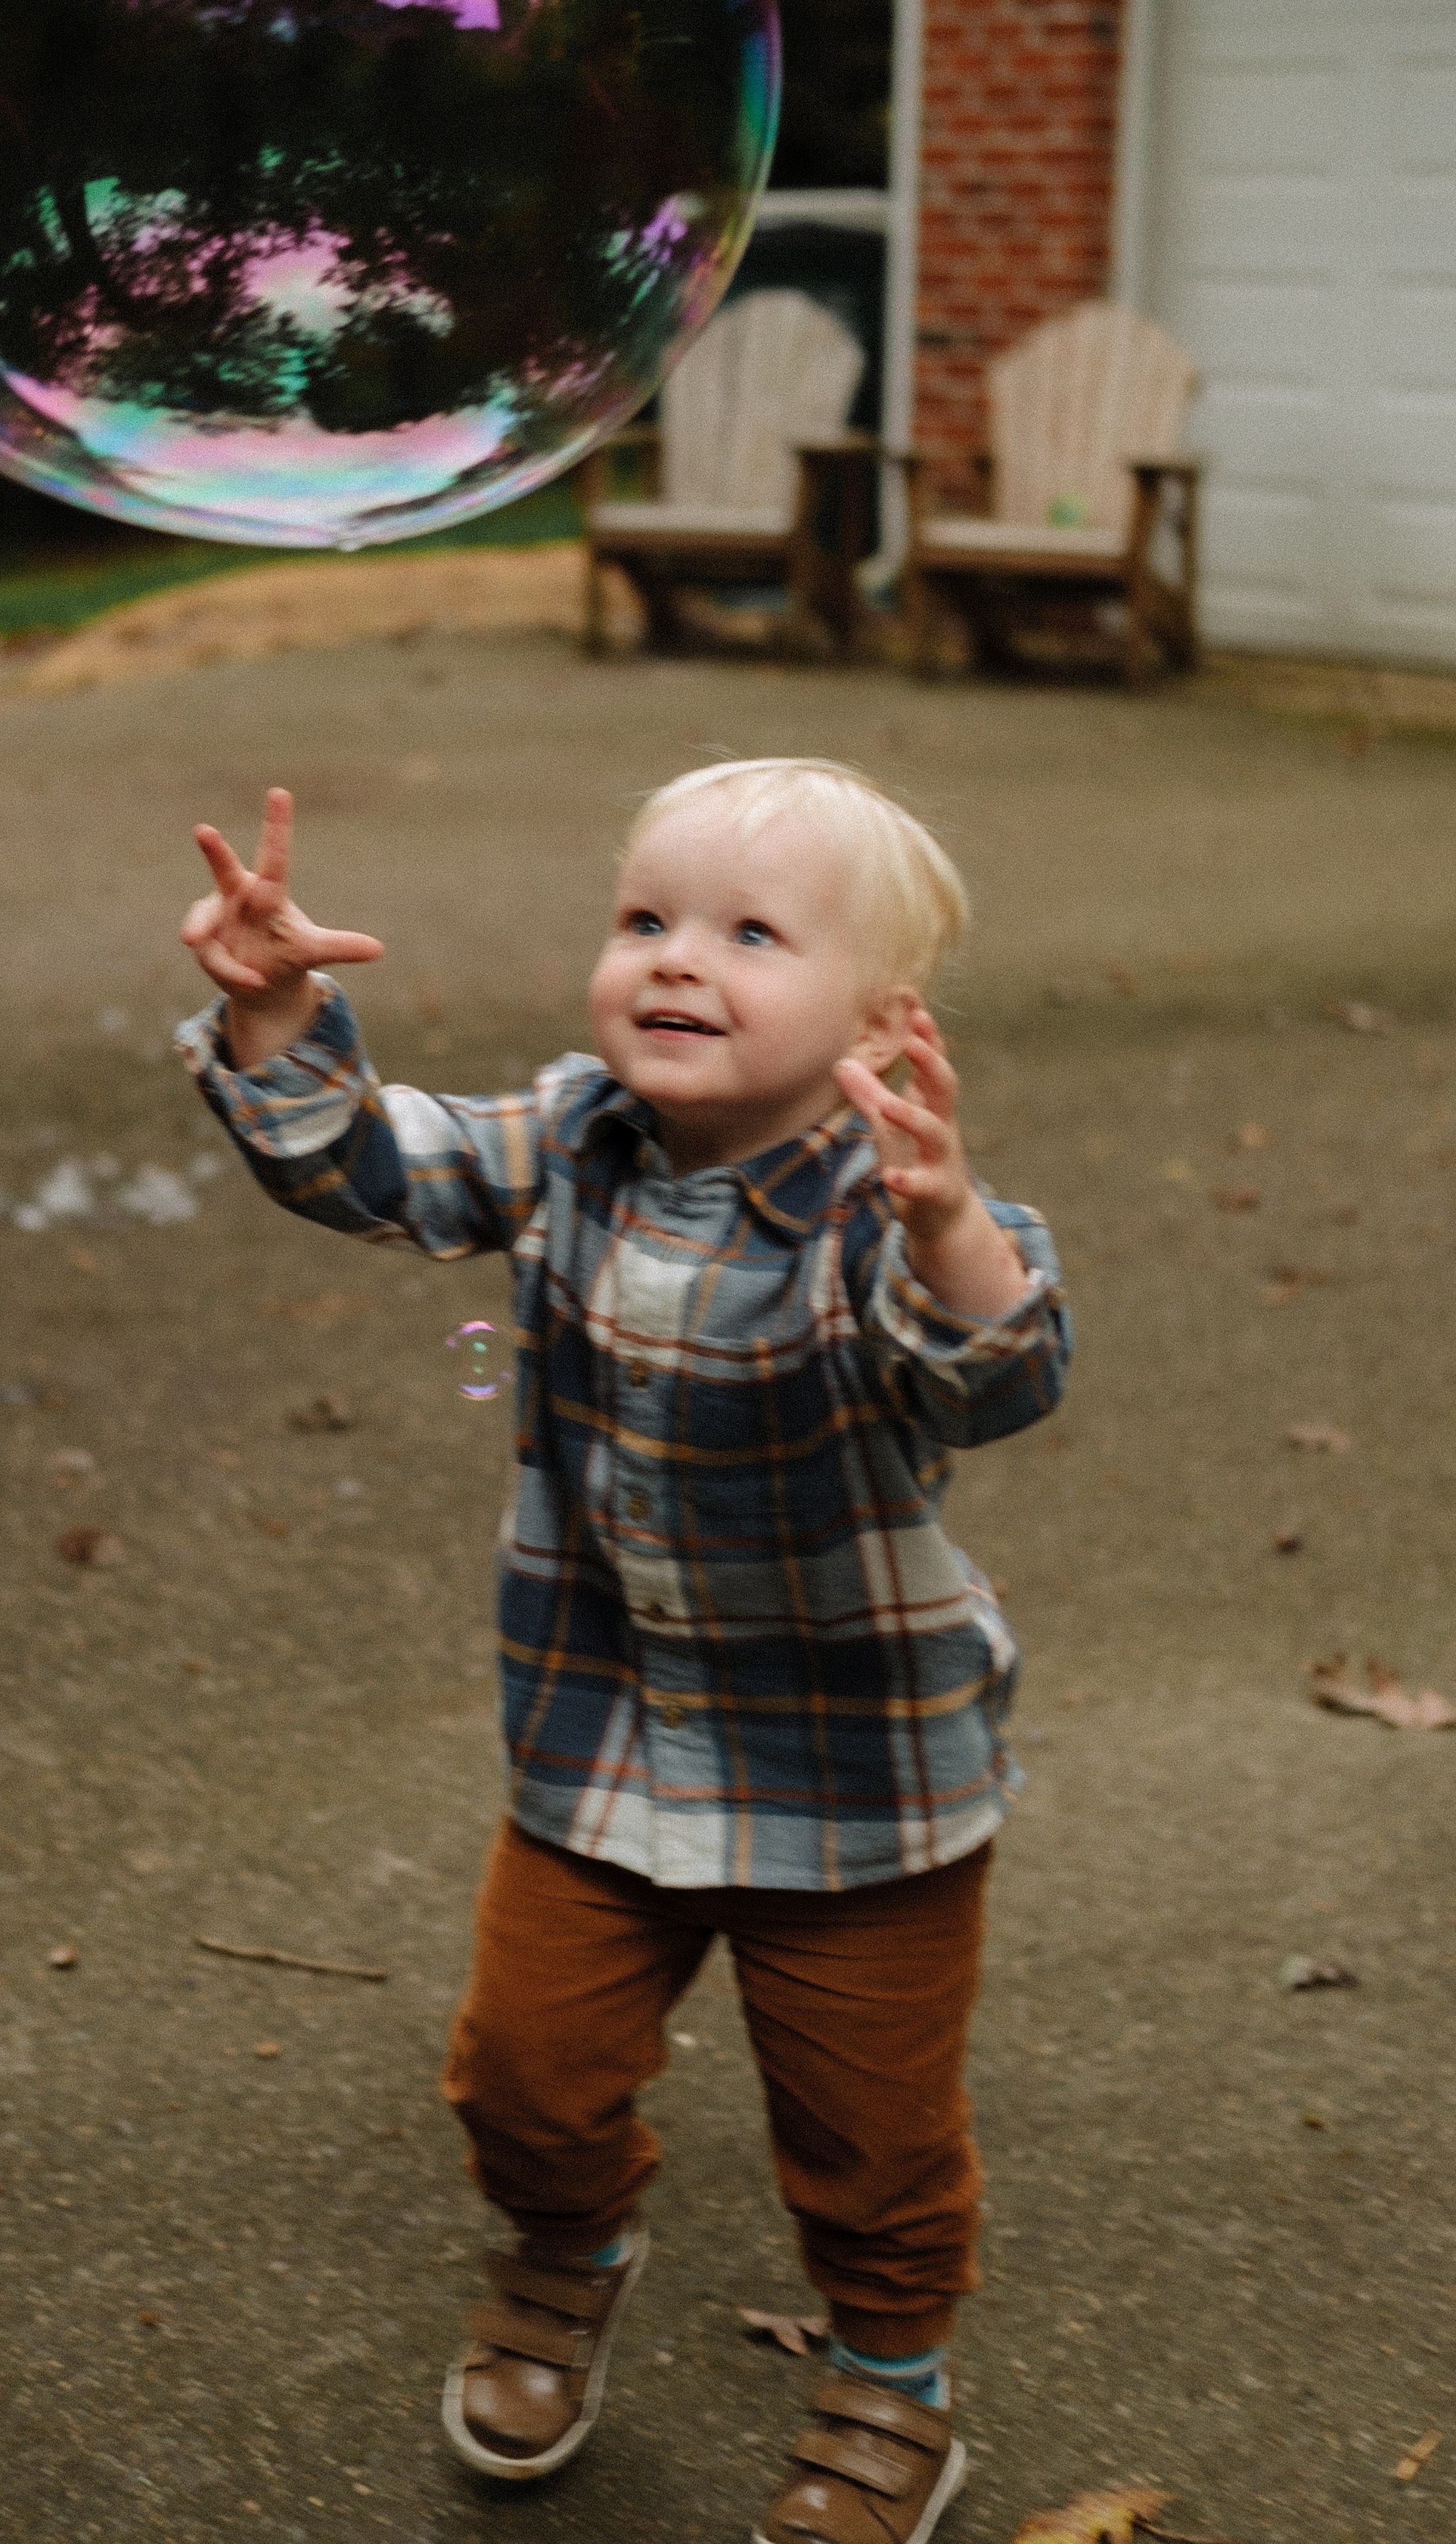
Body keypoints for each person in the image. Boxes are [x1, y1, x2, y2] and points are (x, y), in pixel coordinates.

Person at [176, 758, 1069, 2544]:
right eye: (643, 918)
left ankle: (891, 2375)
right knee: (525, 2074)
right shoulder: (571, 1135)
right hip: (599, 1746)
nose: (674, 958)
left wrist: (948, 1227)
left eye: (750, 934)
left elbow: (996, 1374)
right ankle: (567, 2248)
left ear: (879, 1022)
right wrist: (274, 1014)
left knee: (871, 2137)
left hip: (859, 1790)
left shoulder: (882, 1207)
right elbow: (369, 1166)